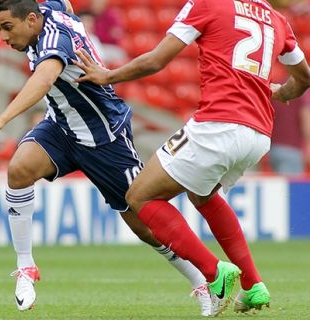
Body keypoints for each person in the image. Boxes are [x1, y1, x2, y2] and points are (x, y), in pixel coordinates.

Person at [0, 0, 212, 316]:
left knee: (144, 224)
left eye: (7, 27)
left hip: (104, 137)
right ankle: (26, 267)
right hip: (61, 127)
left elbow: (44, 79)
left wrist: (2, 119)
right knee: (19, 169)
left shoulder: (52, 39)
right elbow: (66, 4)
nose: (3, 37)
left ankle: (203, 281)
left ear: (31, 20)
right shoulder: (47, 9)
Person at [73, 0, 310, 315]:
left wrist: (108, 75)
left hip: (218, 125)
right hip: (257, 134)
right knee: (204, 194)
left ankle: (214, 272)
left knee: (140, 197)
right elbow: (304, 78)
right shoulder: (276, 19)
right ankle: (253, 286)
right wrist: (282, 93)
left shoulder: (208, 4)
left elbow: (157, 60)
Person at [270, 89, 310, 175]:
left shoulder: (279, 88)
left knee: (279, 183)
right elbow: (306, 120)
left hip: (273, 148)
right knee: (290, 186)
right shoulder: (303, 90)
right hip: (292, 150)